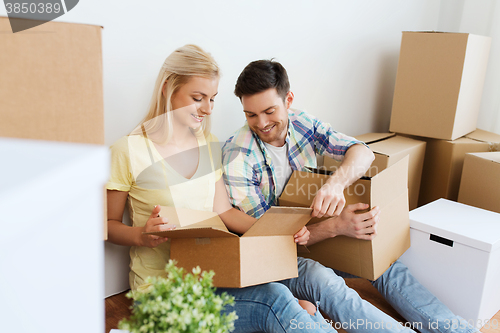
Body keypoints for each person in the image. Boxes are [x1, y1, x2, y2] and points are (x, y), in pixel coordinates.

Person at [221, 59, 480, 333]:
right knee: (327, 283)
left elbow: (362, 151)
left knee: (386, 264)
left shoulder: (300, 122)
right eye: (250, 115)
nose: (261, 123)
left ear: (289, 99)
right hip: (275, 257)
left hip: (311, 233)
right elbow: (269, 240)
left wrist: (335, 184)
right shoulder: (239, 155)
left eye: (269, 111)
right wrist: (335, 227)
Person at [106, 44, 343, 333]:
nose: (207, 108)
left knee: (299, 306)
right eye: (198, 98)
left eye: (212, 99)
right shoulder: (127, 150)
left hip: (212, 275)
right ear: (168, 88)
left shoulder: (208, 143)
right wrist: (142, 235)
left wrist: (280, 231)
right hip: (162, 289)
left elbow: (225, 212)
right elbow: (106, 226)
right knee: (278, 303)